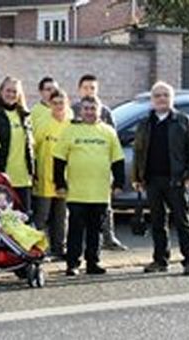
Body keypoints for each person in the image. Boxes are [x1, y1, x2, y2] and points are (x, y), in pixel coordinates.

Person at [133, 81, 189, 276]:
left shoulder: (184, 120)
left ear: (171, 98)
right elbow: (139, 152)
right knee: (157, 222)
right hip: (152, 180)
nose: (161, 98)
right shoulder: (145, 123)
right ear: (152, 100)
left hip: (177, 180)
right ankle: (160, 260)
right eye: (157, 95)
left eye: (165, 95)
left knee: (182, 221)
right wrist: (137, 177)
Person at [53, 96, 125, 276]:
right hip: (77, 192)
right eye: (86, 108)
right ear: (80, 111)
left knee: (96, 231)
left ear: (99, 111)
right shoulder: (70, 130)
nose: (89, 112)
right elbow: (59, 159)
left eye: (93, 108)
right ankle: (72, 264)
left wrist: (119, 182)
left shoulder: (108, 131)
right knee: (75, 231)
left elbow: (118, 160)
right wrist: (60, 183)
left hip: (100, 192)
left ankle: (93, 262)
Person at [72, 74, 127, 251]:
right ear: (79, 89)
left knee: (105, 208)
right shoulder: (72, 110)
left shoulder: (105, 112)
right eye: (86, 87)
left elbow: (113, 141)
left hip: (101, 171)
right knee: (76, 214)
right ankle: (75, 246)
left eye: (92, 88)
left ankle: (109, 238)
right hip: (78, 174)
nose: (89, 90)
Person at [32, 89, 72, 260]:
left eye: (61, 103)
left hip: (64, 178)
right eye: (54, 103)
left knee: (61, 216)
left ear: (67, 103)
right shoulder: (42, 123)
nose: (58, 106)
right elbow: (33, 148)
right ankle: (39, 248)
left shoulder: (71, 124)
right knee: (42, 216)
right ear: (49, 104)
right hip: (44, 176)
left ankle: (59, 247)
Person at [0, 77, 35, 215]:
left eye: (14, 92)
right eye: (8, 91)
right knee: (2, 220)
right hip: (3, 175)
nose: (11, 94)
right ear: (1, 92)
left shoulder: (24, 115)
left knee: (23, 218)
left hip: (23, 177)